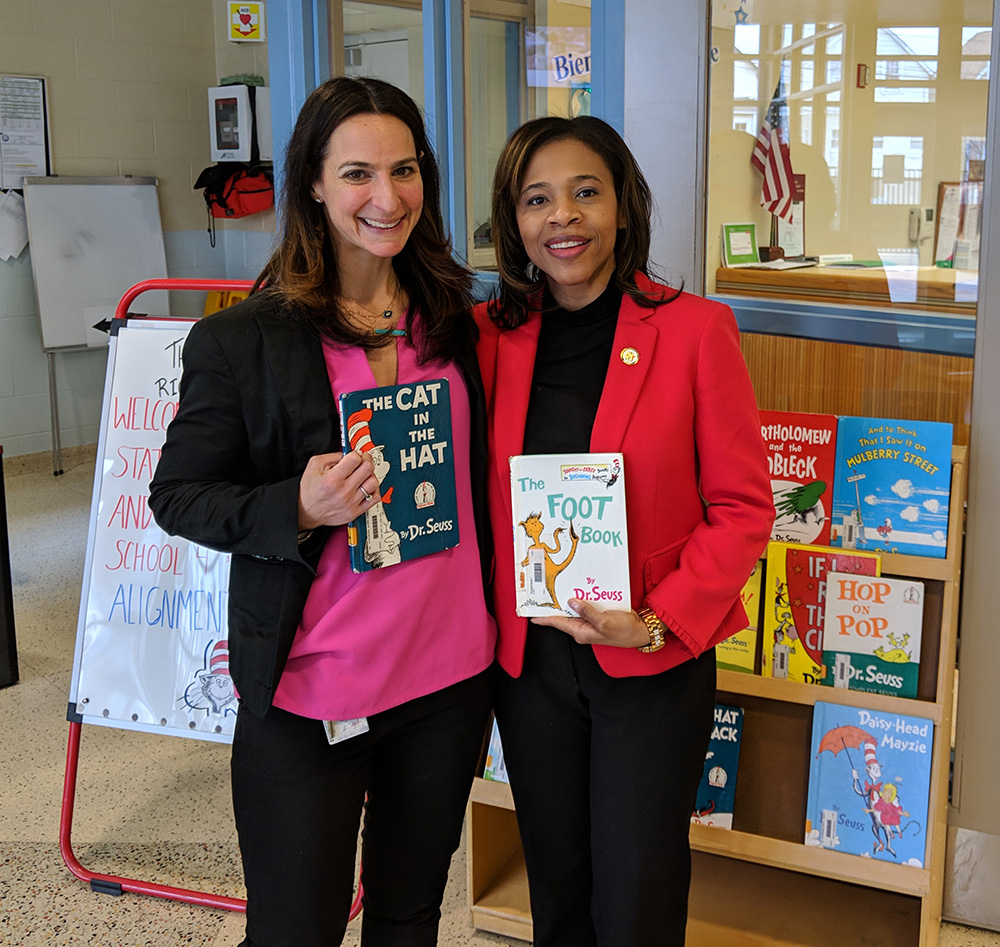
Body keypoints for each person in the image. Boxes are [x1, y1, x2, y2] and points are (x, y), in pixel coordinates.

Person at [149, 76, 496, 947]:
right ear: (311, 181)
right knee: (296, 927)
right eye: (357, 174)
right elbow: (178, 494)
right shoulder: (243, 340)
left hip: (449, 678)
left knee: (410, 914)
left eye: (405, 170)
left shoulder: (461, 322)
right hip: (316, 687)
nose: (387, 197)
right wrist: (295, 504)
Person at [474, 115, 774, 947]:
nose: (562, 216)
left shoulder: (693, 330)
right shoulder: (489, 337)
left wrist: (653, 621)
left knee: (638, 886)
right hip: (529, 661)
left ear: (622, 205)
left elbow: (745, 507)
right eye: (538, 199)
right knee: (558, 880)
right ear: (514, 218)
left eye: (585, 193)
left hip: (648, 658)